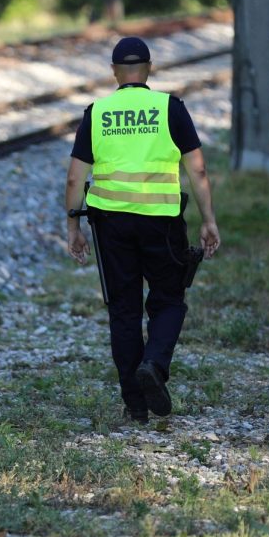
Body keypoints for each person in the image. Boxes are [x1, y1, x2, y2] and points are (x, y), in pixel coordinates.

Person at [64, 36, 220, 423]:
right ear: (149, 69)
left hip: (109, 223)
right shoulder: (170, 108)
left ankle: (134, 403)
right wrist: (209, 220)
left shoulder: (96, 112)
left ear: (115, 72)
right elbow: (197, 169)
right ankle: (154, 365)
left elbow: (74, 178)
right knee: (169, 299)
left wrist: (73, 226)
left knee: (124, 309)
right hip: (161, 222)